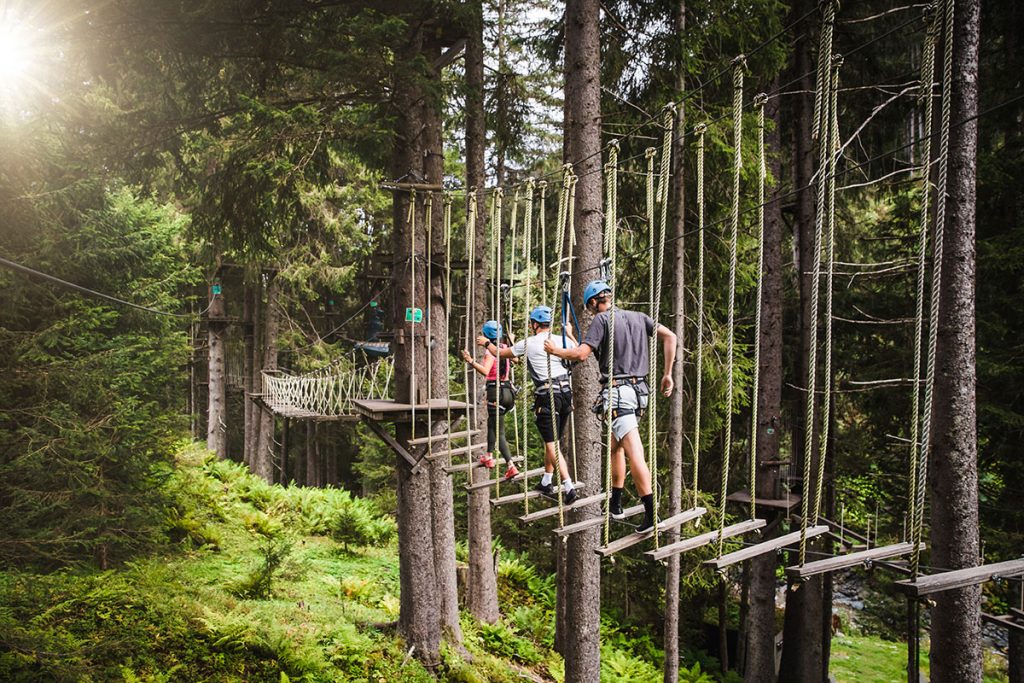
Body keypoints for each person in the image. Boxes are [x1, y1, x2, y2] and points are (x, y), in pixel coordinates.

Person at [544, 280, 677, 533]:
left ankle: (651, 515)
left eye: (590, 306)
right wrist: (667, 373)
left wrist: (556, 351)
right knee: (616, 446)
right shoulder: (639, 317)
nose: (591, 311)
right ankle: (616, 503)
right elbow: (670, 336)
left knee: (634, 452)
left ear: (594, 302)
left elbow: (582, 355)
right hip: (639, 394)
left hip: (619, 393)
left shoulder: (602, 320)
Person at [478, 305, 578, 504]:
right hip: (566, 394)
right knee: (552, 441)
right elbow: (579, 350)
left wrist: (487, 343)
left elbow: (499, 352)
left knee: (552, 444)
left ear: (534, 324)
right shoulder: (561, 340)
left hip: (548, 395)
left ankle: (568, 486)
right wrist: (570, 334)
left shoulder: (529, 343)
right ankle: (546, 480)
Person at [462, 320, 518, 479]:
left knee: (499, 432)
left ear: (486, 336)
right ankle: (489, 456)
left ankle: (511, 465)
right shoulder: (504, 349)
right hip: (508, 393)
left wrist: (471, 361)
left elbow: (486, 371)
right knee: (491, 423)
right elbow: (516, 360)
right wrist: (511, 342)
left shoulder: (490, 352)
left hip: (496, 393)